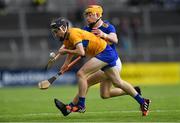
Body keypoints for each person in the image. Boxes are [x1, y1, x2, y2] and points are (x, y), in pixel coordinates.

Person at [50, 17, 150, 117]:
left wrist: (66, 51)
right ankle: (142, 101)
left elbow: (81, 52)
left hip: (104, 53)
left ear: (63, 28)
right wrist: (65, 64)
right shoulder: (67, 38)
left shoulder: (73, 34)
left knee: (81, 74)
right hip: (105, 53)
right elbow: (70, 49)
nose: (55, 34)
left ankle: (80, 105)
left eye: (56, 31)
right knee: (116, 83)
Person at [66, 5, 141, 109]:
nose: (87, 18)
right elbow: (80, 45)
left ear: (97, 15)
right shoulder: (86, 29)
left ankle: (72, 106)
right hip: (102, 62)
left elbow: (115, 39)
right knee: (105, 94)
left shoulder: (107, 27)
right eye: (86, 15)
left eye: (90, 15)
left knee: (85, 81)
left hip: (112, 61)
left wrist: (103, 35)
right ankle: (133, 91)